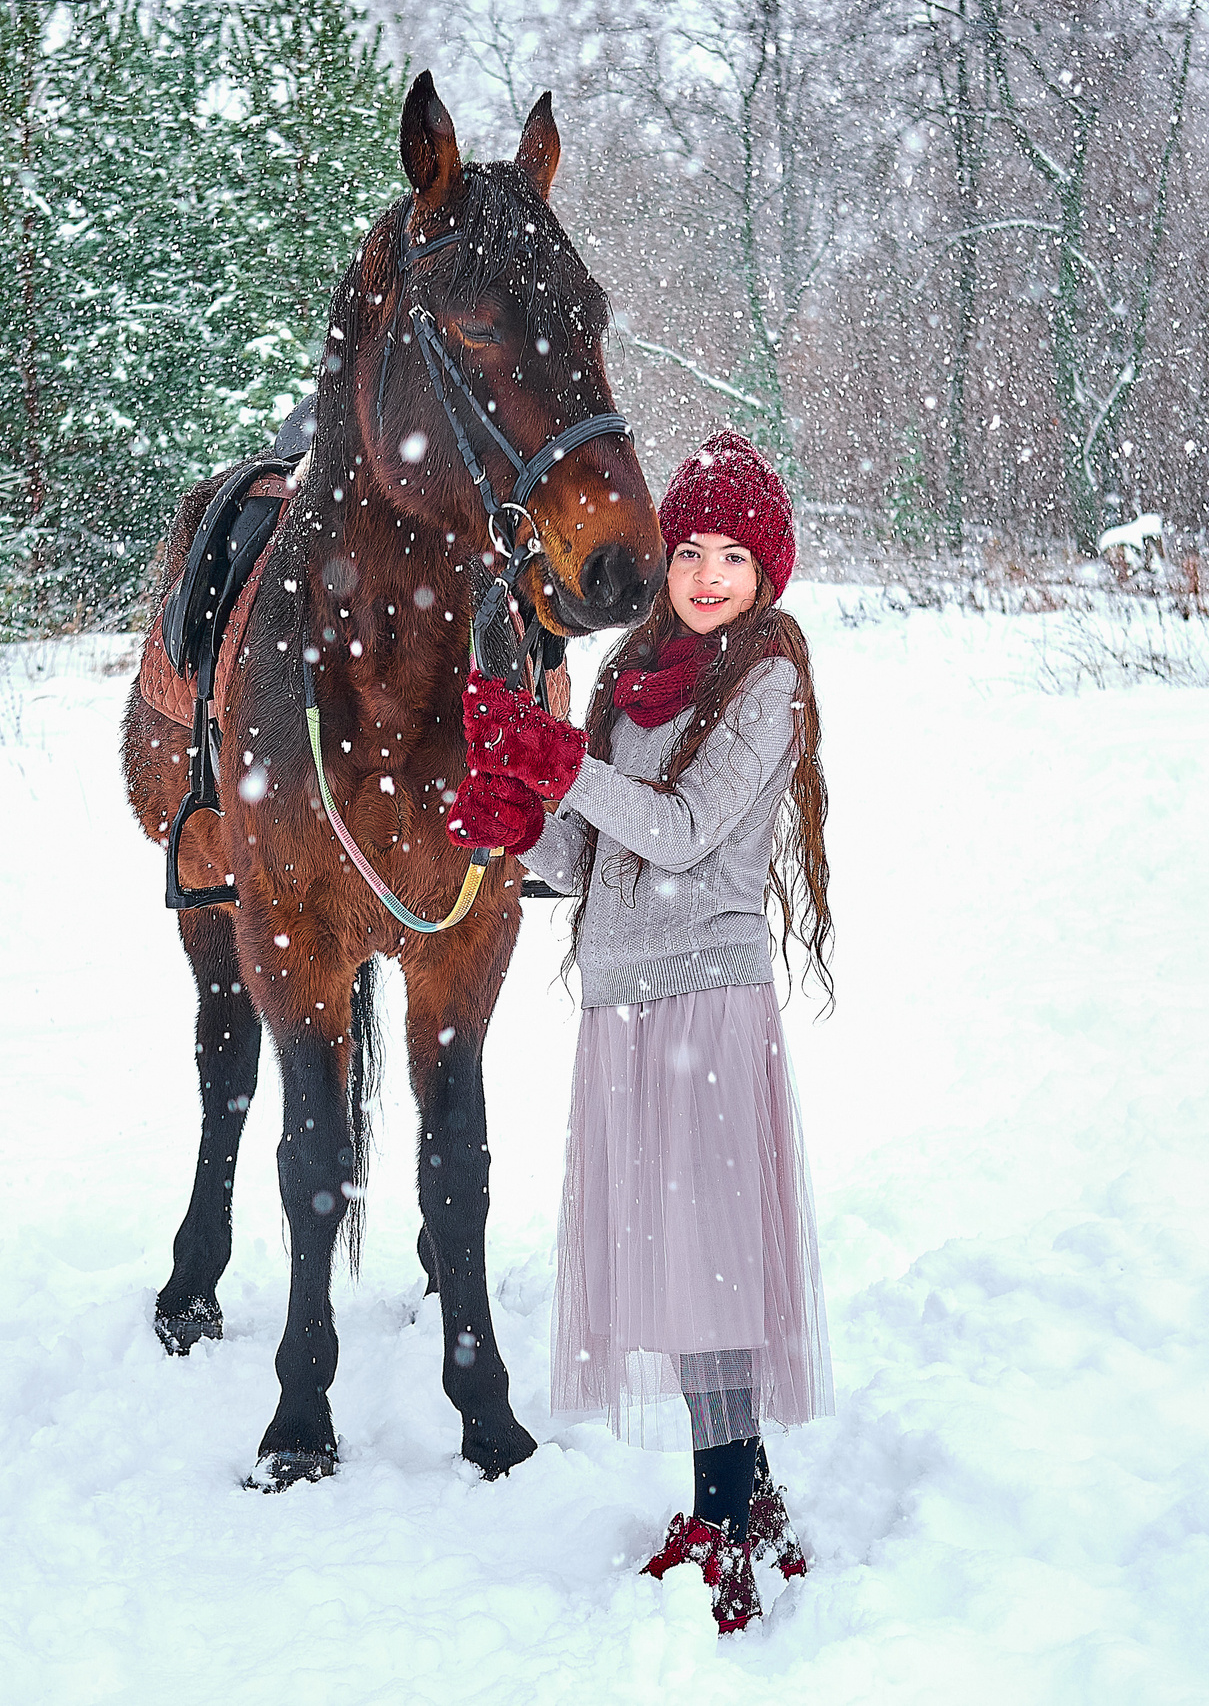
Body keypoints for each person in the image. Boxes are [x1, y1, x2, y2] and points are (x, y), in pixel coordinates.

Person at [446, 429, 835, 1636]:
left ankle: (723, 1515)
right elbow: (596, 850)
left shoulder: (764, 681)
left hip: (705, 1007)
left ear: (766, 572)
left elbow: (678, 831)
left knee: (711, 1277)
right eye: (690, 551)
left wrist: (561, 763)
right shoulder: (632, 674)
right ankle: (750, 1498)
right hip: (623, 1004)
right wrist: (516, 815)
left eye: (734, 554)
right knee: (679, 1268)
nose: (707, 574)